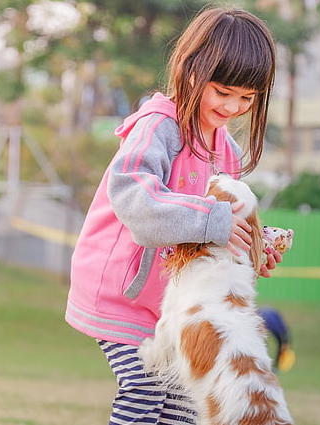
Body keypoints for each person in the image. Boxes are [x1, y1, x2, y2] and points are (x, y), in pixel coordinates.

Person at [65, 7, 281, 424]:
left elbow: (221, 225)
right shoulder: (159, 127)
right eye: (224, 91)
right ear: (191, 70)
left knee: (185, 402)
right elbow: (135, 200)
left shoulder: (226, 152)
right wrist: (216, 223)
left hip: (177, 302)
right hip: (123, 293)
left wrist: (254, 243)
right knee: (145, 386)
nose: (234, 106)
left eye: (247, 98)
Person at [258, 306, 295, 374]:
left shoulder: (277, 327)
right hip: (263, 320)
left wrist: (285, 346)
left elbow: (283, 338)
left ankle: (275, 367)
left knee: (282, 346)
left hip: (273, 323)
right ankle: (265, 366)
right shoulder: (258, 322)